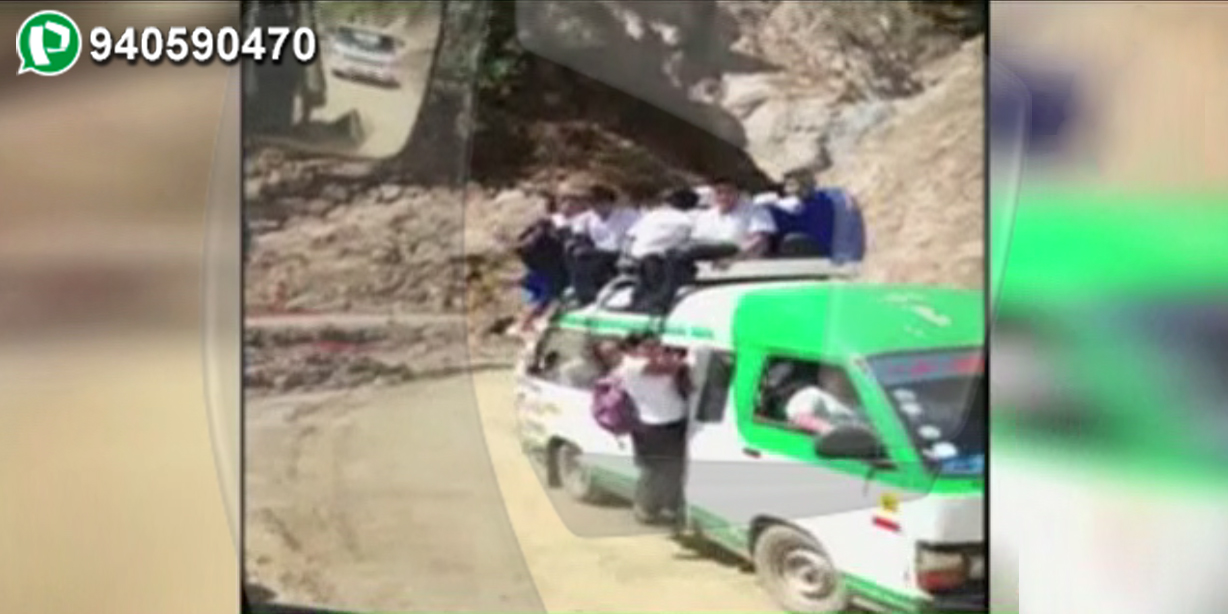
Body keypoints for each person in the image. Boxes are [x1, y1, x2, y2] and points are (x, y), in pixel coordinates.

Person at [616, 331, 690, 527]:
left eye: (656, 346)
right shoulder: (633, 366)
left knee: (671, 469)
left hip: (672, 421)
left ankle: (667, 507)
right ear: (632, 348)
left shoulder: (652, 362)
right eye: (648, 347)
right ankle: (645, 509)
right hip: (655, 425)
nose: (654, 350)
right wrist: (686, 359)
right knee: (654, 470)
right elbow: (670, 368)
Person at [626, 188, 699, 312]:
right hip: (663, 265)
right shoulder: (688, 219)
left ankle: (640, 303)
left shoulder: (652, 215)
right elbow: (695, 240)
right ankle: (659, 303)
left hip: (638, 260)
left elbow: (630, 237)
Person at [568, 184, 640, 305]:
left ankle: (589, 297)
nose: (596, 207)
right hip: (599, 254)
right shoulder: (588, 218)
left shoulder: (628, 215)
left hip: (622, 252)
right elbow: (576, 229)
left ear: (609, 202)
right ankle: (584, 297)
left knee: (588, 257)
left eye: (599, 203)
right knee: (577, 254)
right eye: (592, 203)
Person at [513, 194, 569, 335]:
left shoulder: (539, 222)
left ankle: (524, 324)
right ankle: (526, 325)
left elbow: (520, 244)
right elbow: (566, 239)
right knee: (549, 297)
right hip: (552, 266)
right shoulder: (558, 220)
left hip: (536, 266)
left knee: (539, 298)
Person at [689, 177, 777, 260]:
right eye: (719, 192)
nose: (723, 197)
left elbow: (760, 240)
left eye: (729, 192)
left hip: (746, 262)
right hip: (708, 262)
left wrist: (734, 258)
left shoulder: (756, 211)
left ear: (738, 193)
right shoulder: (705, 216)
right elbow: (697, 242)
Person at [783, 369, 863, 435]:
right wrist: (830, 430)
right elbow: (800, 417)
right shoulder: (812, 394)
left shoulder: (859, 402)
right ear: (825, 376)